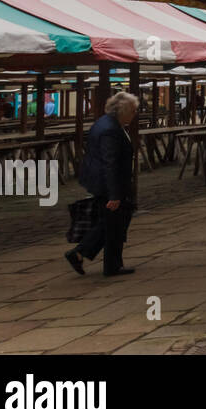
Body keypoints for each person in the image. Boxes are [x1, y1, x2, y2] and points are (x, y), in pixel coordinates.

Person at [66, 92, 137, 277]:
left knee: (113, 222)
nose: (135, 114)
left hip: (107, 182)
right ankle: (108, 264)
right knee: (113, 224)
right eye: (133, 110)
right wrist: (114, 194)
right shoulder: (110, 130)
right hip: (107, 184)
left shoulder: (108, 124)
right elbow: (110, 162)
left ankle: (83, 254)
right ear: (123, 111)